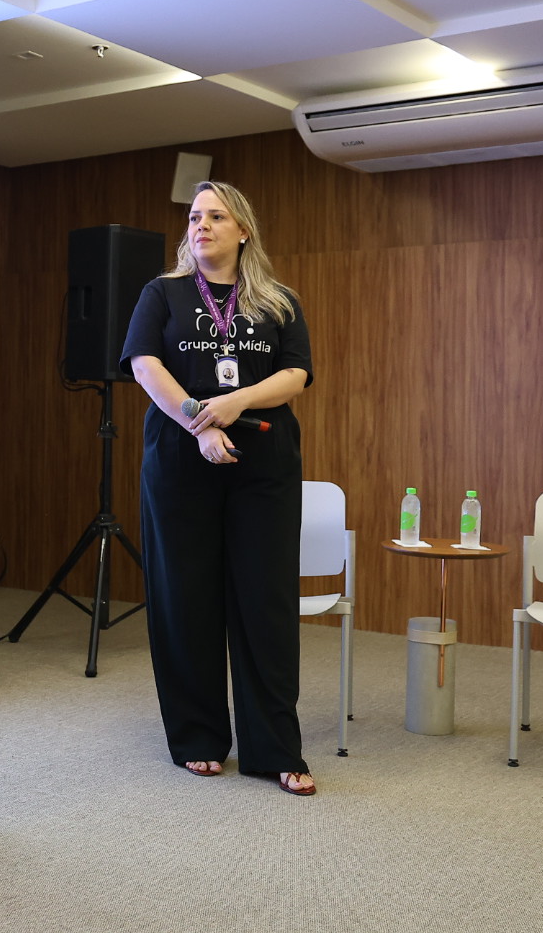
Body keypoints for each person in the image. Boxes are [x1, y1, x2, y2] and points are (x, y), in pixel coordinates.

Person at [120, 180, 316, 796]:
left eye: (215, 216)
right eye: (194, 217)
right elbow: (144, 364)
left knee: (265, 602)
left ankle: (275, 748)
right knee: (186, 599)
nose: (200, 225)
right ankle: (198, 737)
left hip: (264, 462)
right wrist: (200, 424)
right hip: (181, 458)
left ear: (243, 230)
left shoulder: (278, 300)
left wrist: (237, 402)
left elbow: (296, 373)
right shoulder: (163, 293)